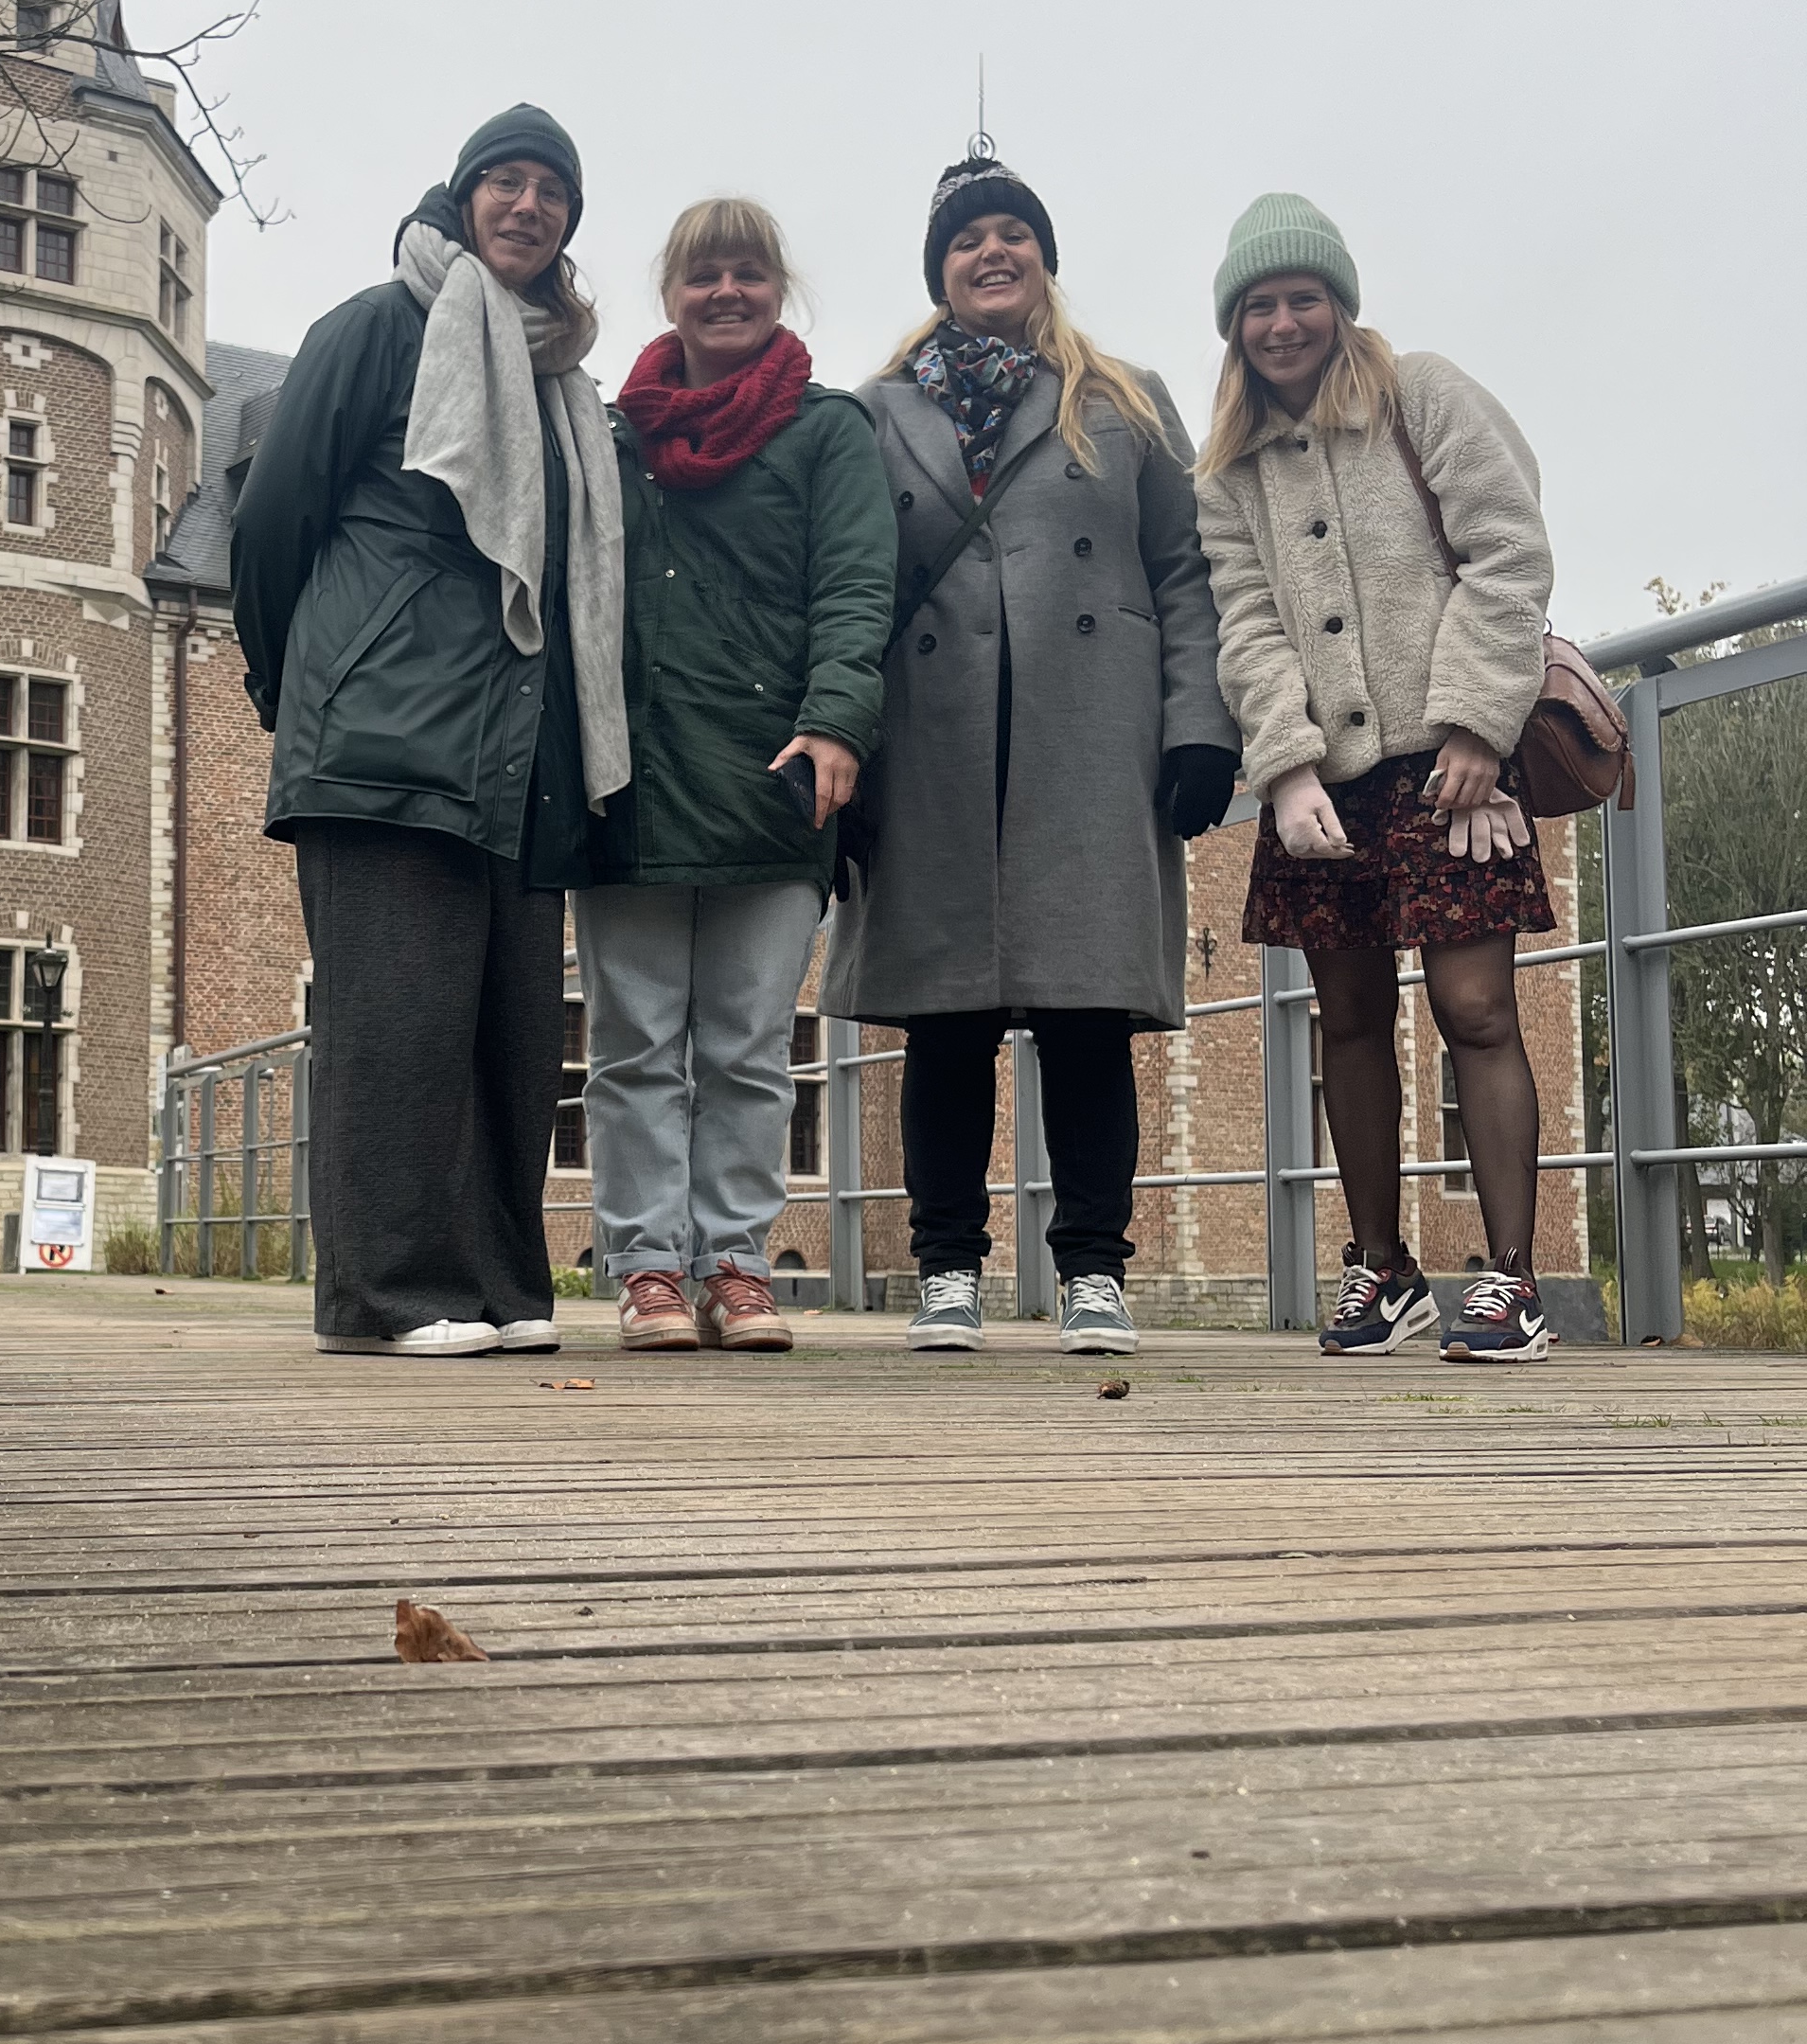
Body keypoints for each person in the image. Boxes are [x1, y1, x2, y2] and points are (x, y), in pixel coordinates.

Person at [231, 107, 628, 1358]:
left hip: (515, 755)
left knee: (508, 1035)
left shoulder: (565, 381)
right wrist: (298, 691)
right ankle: (384, 1296)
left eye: (550, 191)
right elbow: (272, 525)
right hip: (386, 742)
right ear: (460, 201)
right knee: (395, 1024)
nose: (526, 205)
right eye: (502, 183)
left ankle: (501, 1288)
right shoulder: (374, 328)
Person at [827, 149, 1236, 1353]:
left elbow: (1186, 574)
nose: (991, 251)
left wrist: (1201, 726)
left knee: (1087, 1018)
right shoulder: (874, 410)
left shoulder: (1128, 400)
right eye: (967, 239)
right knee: (943, 1021)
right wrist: (848, 744)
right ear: (939, 271)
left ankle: (1094, 1270)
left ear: (1045, 258)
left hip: (1089, 738)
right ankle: (946, 1265)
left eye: (1012, 232)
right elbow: (849, 589)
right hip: (933, 738)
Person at [1193, 193, 1559, 1360]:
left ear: (1341, 306)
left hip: (1455, 762)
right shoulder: (1230, 471)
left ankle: (1510, 1279)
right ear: (1235, 326)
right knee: (1345, 1019)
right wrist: (1285, 768)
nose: (1283, 323)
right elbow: (1244, 623)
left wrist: (1477, 725)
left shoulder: (1424, 394)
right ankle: (1383, 1268)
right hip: (1328, 781)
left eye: (1303, 298)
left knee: (1476, 1011)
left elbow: (1509, 549)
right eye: (1260, 306)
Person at [578, 200, 895, 1354]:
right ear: (670, 295)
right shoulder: (613, 438)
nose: (727, 292)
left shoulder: (828, 433)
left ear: (777, 289)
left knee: (750, 1047)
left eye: (748, 273)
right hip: (635, 779)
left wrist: (838, 726)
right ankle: (650, 1267)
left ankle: (737, 1261)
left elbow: (858, 590)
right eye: (704, 274)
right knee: (636, 1045)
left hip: (775, 775)